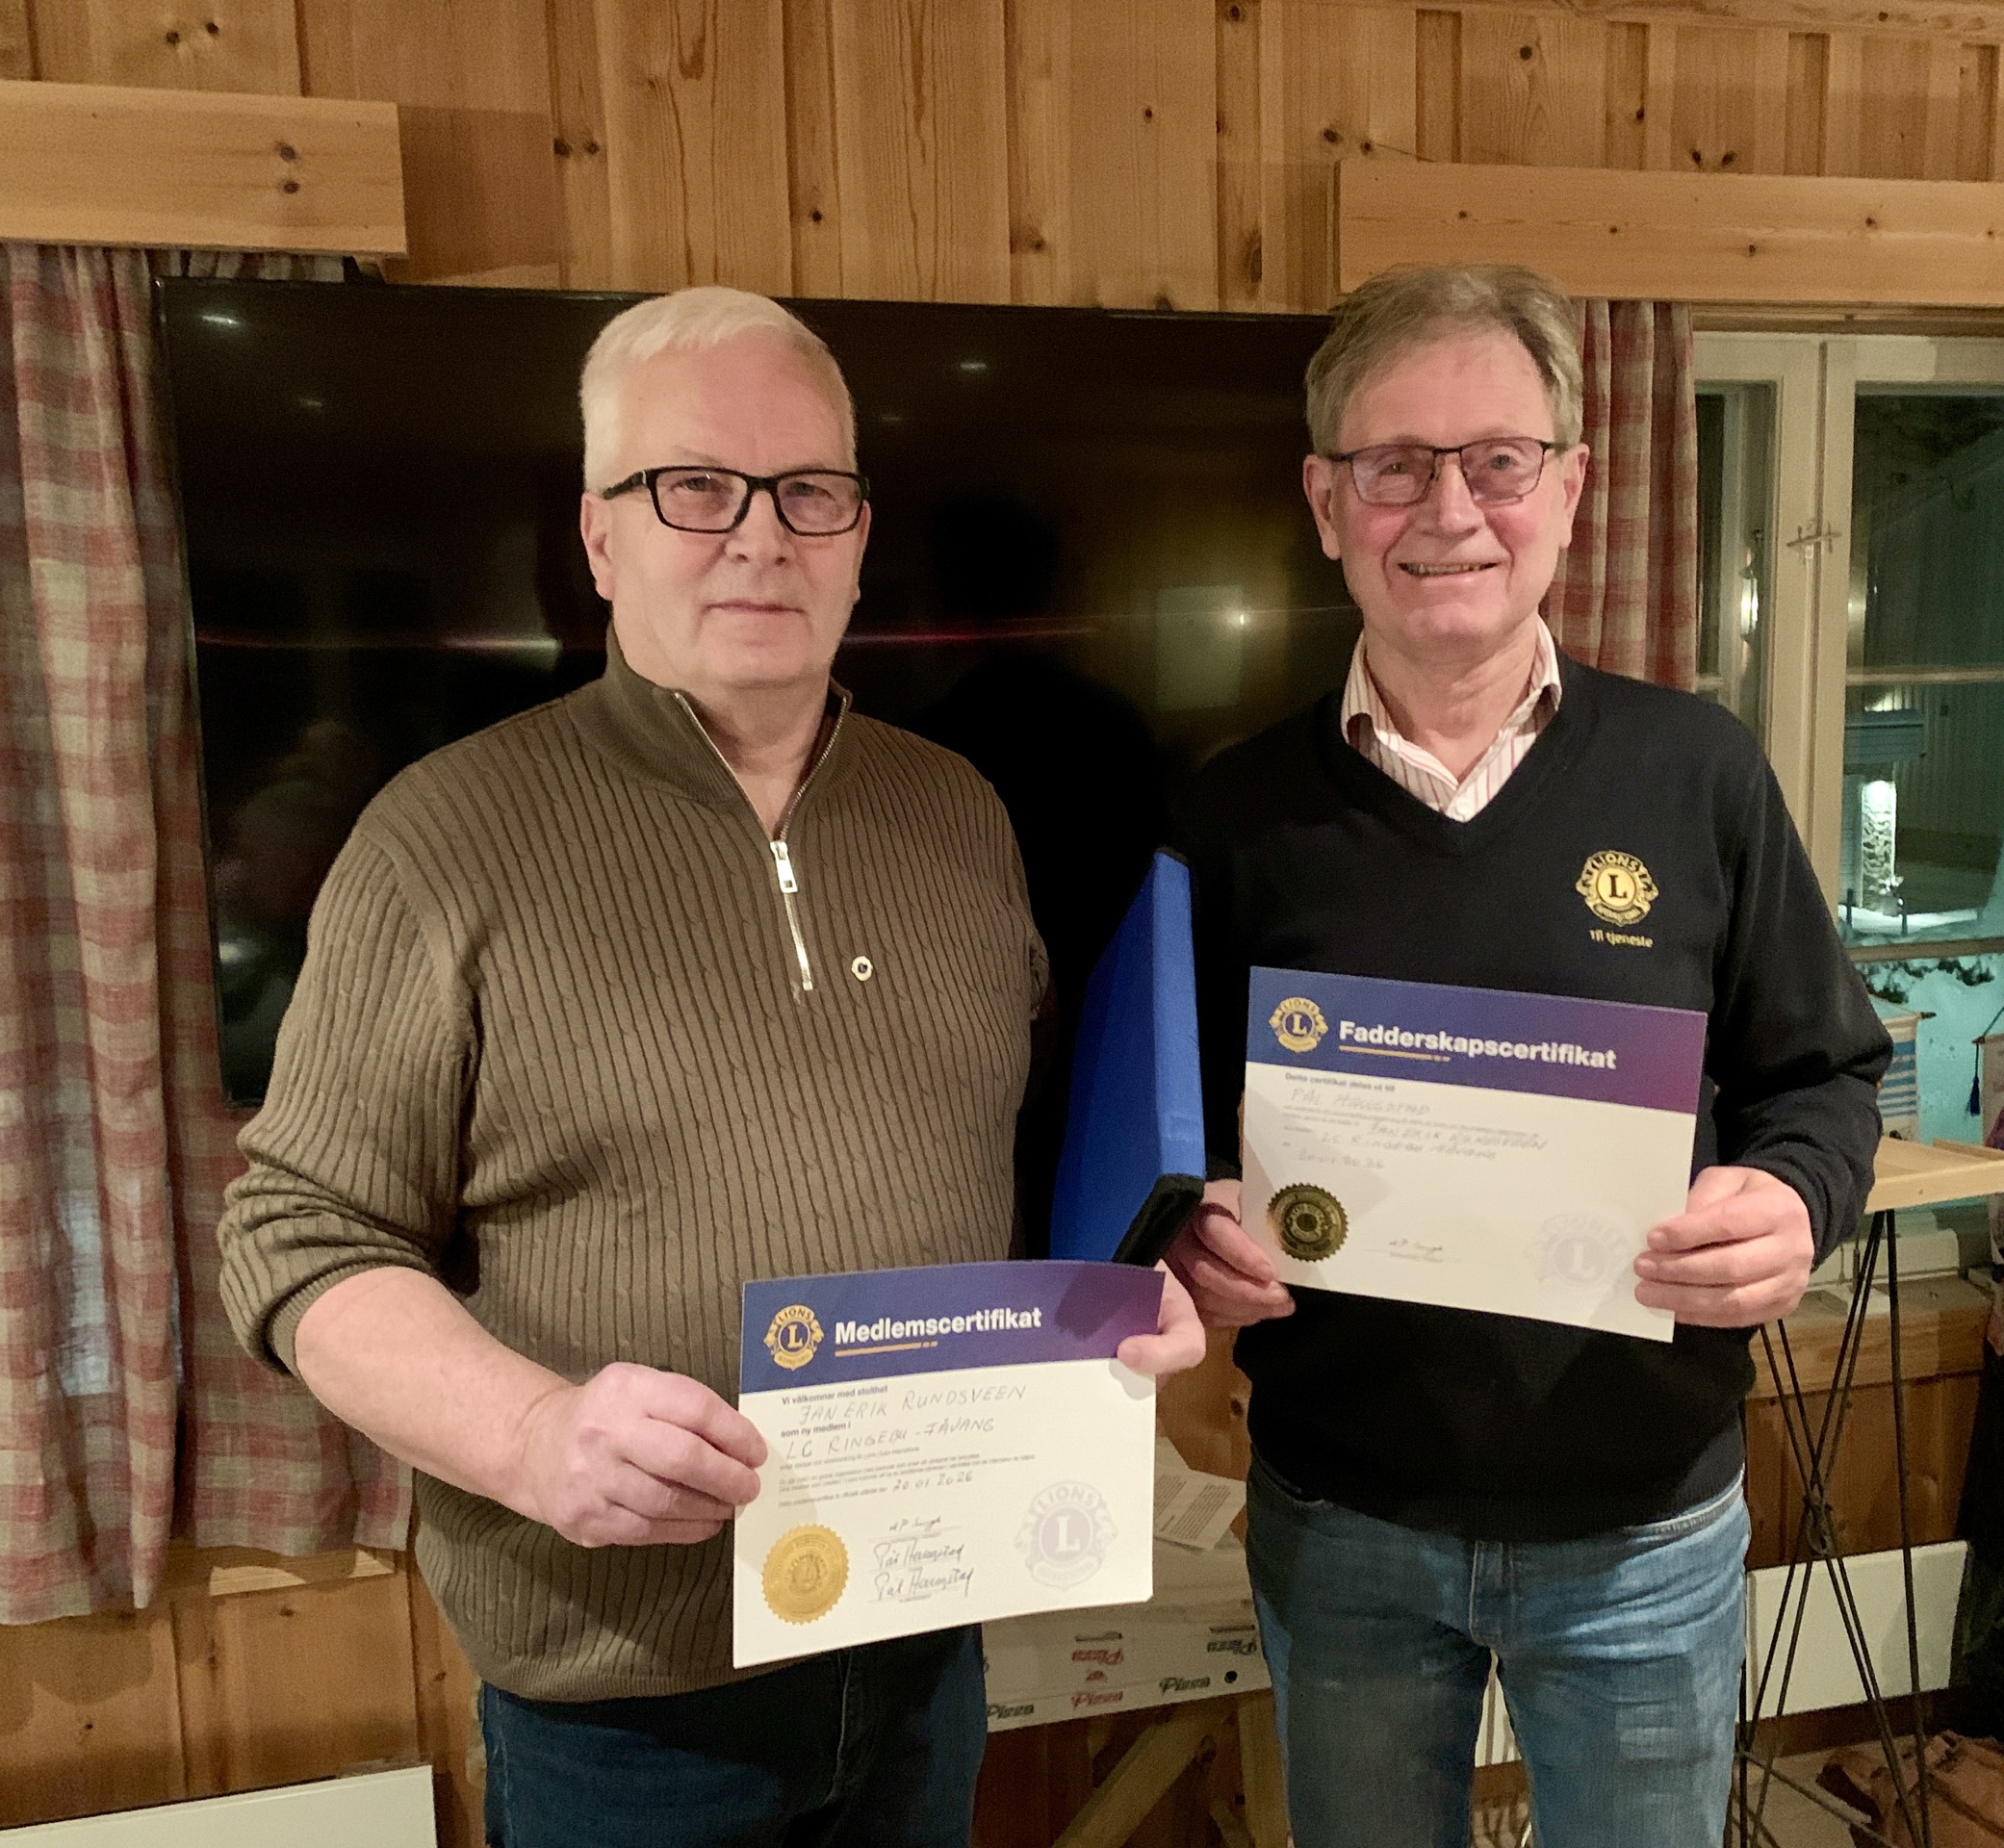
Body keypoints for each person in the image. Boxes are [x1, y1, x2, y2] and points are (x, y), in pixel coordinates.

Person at [215, 286, 1202, 1848]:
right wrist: (529, 1436)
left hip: (924, 1632)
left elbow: (1013, 1170)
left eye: (809, 492)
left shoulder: (958, 812)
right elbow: (299, 1234)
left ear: (859, 537)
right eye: (695, 487)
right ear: (600, 538)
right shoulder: (442, 835)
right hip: (623, 1701)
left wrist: (1117, 1287)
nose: (760, 538)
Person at [1165, 264, 1889, 1848]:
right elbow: (1170, 1133)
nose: (1449, 510)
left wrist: (1795, 1200)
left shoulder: (1697, 773)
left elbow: (1823, 1076)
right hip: (1341, 1523)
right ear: (1324, 501)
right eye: (1392, 464)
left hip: (1643, 1531)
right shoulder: (1229, 814)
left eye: (1496, 459)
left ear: (1567, 487)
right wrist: (1189, 1226)